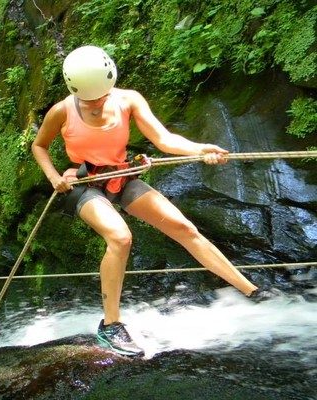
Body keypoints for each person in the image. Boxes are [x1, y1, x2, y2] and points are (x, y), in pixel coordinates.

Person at [31, 45, 258, 357]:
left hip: (123, 177)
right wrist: (53, 176)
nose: (97, 103)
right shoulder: (62, 111)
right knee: (120, 237)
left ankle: (251, 291)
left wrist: (201, 149)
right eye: (90, 99)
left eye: (101, 95)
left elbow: (163, 140)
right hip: (84, 184)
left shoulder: (128, 100)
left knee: (184, 227)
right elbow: (39, 146)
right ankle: (110, 326)